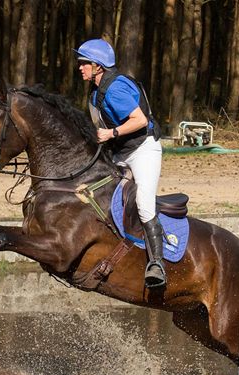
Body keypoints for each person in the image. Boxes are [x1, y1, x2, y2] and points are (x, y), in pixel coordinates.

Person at [75, 38, 166, 288]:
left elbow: (139, 119)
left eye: (84, 63)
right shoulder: (95, 90)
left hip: (143, 151)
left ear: (98, 66)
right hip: (119, 154)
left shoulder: (115, 88)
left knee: (144, 204)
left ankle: (157, 264)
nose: (80, 67)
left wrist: (112, 133)